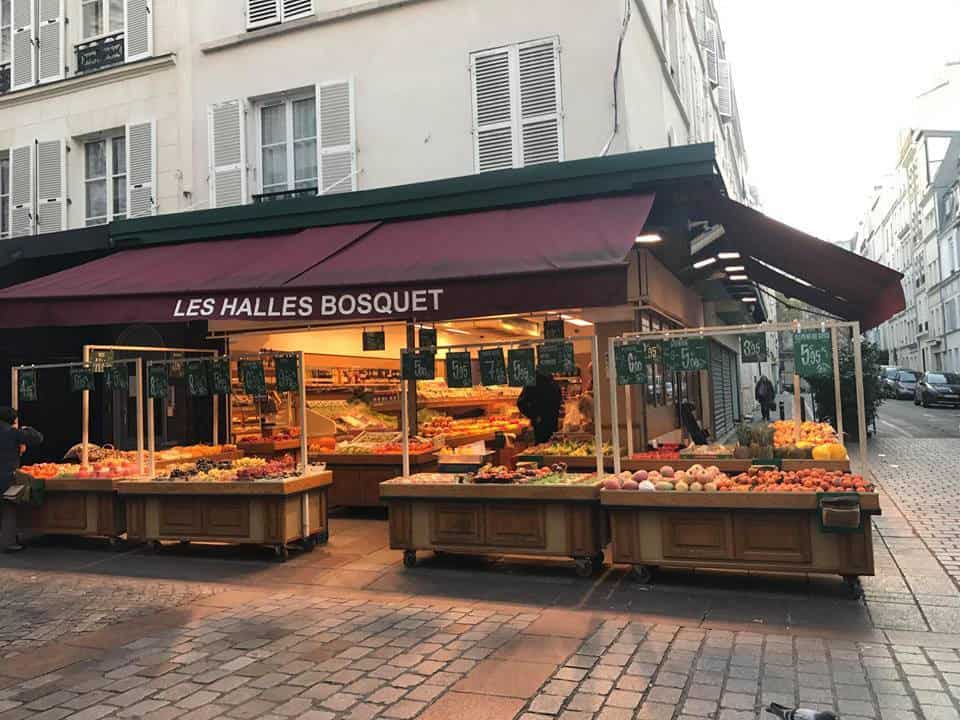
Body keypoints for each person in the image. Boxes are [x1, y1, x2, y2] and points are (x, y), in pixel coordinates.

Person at [0, 407, 43, 552]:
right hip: (6, 477)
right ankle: (8, 543)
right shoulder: (12, 433)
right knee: (8, 509)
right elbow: (37, 438)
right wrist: (26, 428)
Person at [517, 371, 563, 444]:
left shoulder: (551, 380)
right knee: (543, 447)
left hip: (551, 422)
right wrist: (534, 416)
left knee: (550, 447)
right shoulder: (534, 381)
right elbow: (521, 403)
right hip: (542, 424)